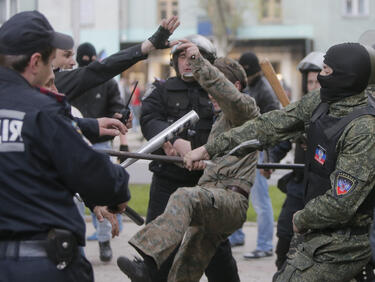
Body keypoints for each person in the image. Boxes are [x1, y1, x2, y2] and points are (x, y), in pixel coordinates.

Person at [185, 42, 375, 281]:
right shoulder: (322, 101)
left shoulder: (364, 130)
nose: (320, 77)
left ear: (346, 77)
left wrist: (302, 218)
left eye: (326, 71)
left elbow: (341, 203)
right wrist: (209, 149)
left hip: (346, 243)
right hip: (316, 230)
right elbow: (270, 125)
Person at [0, 11, 131, 281]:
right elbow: (100, 178)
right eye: (52, 62)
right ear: (35, 62)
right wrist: (118, 188)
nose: (54, 73)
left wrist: (89, 126)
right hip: (42, 267)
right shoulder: (44, 111)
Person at [117, 39, 259, 282]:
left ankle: (148, 264)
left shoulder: (241, 107)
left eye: (191, 56)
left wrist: (198, 152)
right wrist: (172, 142)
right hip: (178, 178)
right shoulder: (164, 90)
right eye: (181, 57)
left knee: (217, 258)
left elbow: (230, 102)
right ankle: (151, 269)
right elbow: (150, 117)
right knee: (184, 263)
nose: (212, 95)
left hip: (212, 194)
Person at [271, 51, 324, 269]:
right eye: (310, 82)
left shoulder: (338, 112)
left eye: (318, 82)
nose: (313, 87)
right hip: (298, 185)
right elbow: (283, 138)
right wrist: (271, 157)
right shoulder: (301, 110)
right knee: (285, 235)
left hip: (322, 188)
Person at [230, 51, 280, 259]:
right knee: (237, 195)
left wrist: (269, 158)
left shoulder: (264, 90)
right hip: (247, 149)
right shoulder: (253, 86)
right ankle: (236, 235)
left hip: (259, 151)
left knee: (261, 201)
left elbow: (273, 127)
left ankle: (265, 244)